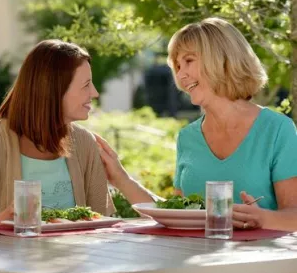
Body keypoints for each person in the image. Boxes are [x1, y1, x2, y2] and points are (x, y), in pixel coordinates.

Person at [96, 17, 297, 231]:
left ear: (222, 58)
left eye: (189, 61)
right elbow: (178, 214)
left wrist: (263, 218)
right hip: (196, 260)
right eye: (178, 66)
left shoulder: (277, 130)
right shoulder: (187, 137)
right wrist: (121, 179)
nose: (181, 75)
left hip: (260, 261)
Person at [0, 39, 118, 222]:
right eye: (86, 85)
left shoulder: (84, 143)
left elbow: (102, 223)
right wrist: (2, 221)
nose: (94, 93)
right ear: (53, 90)